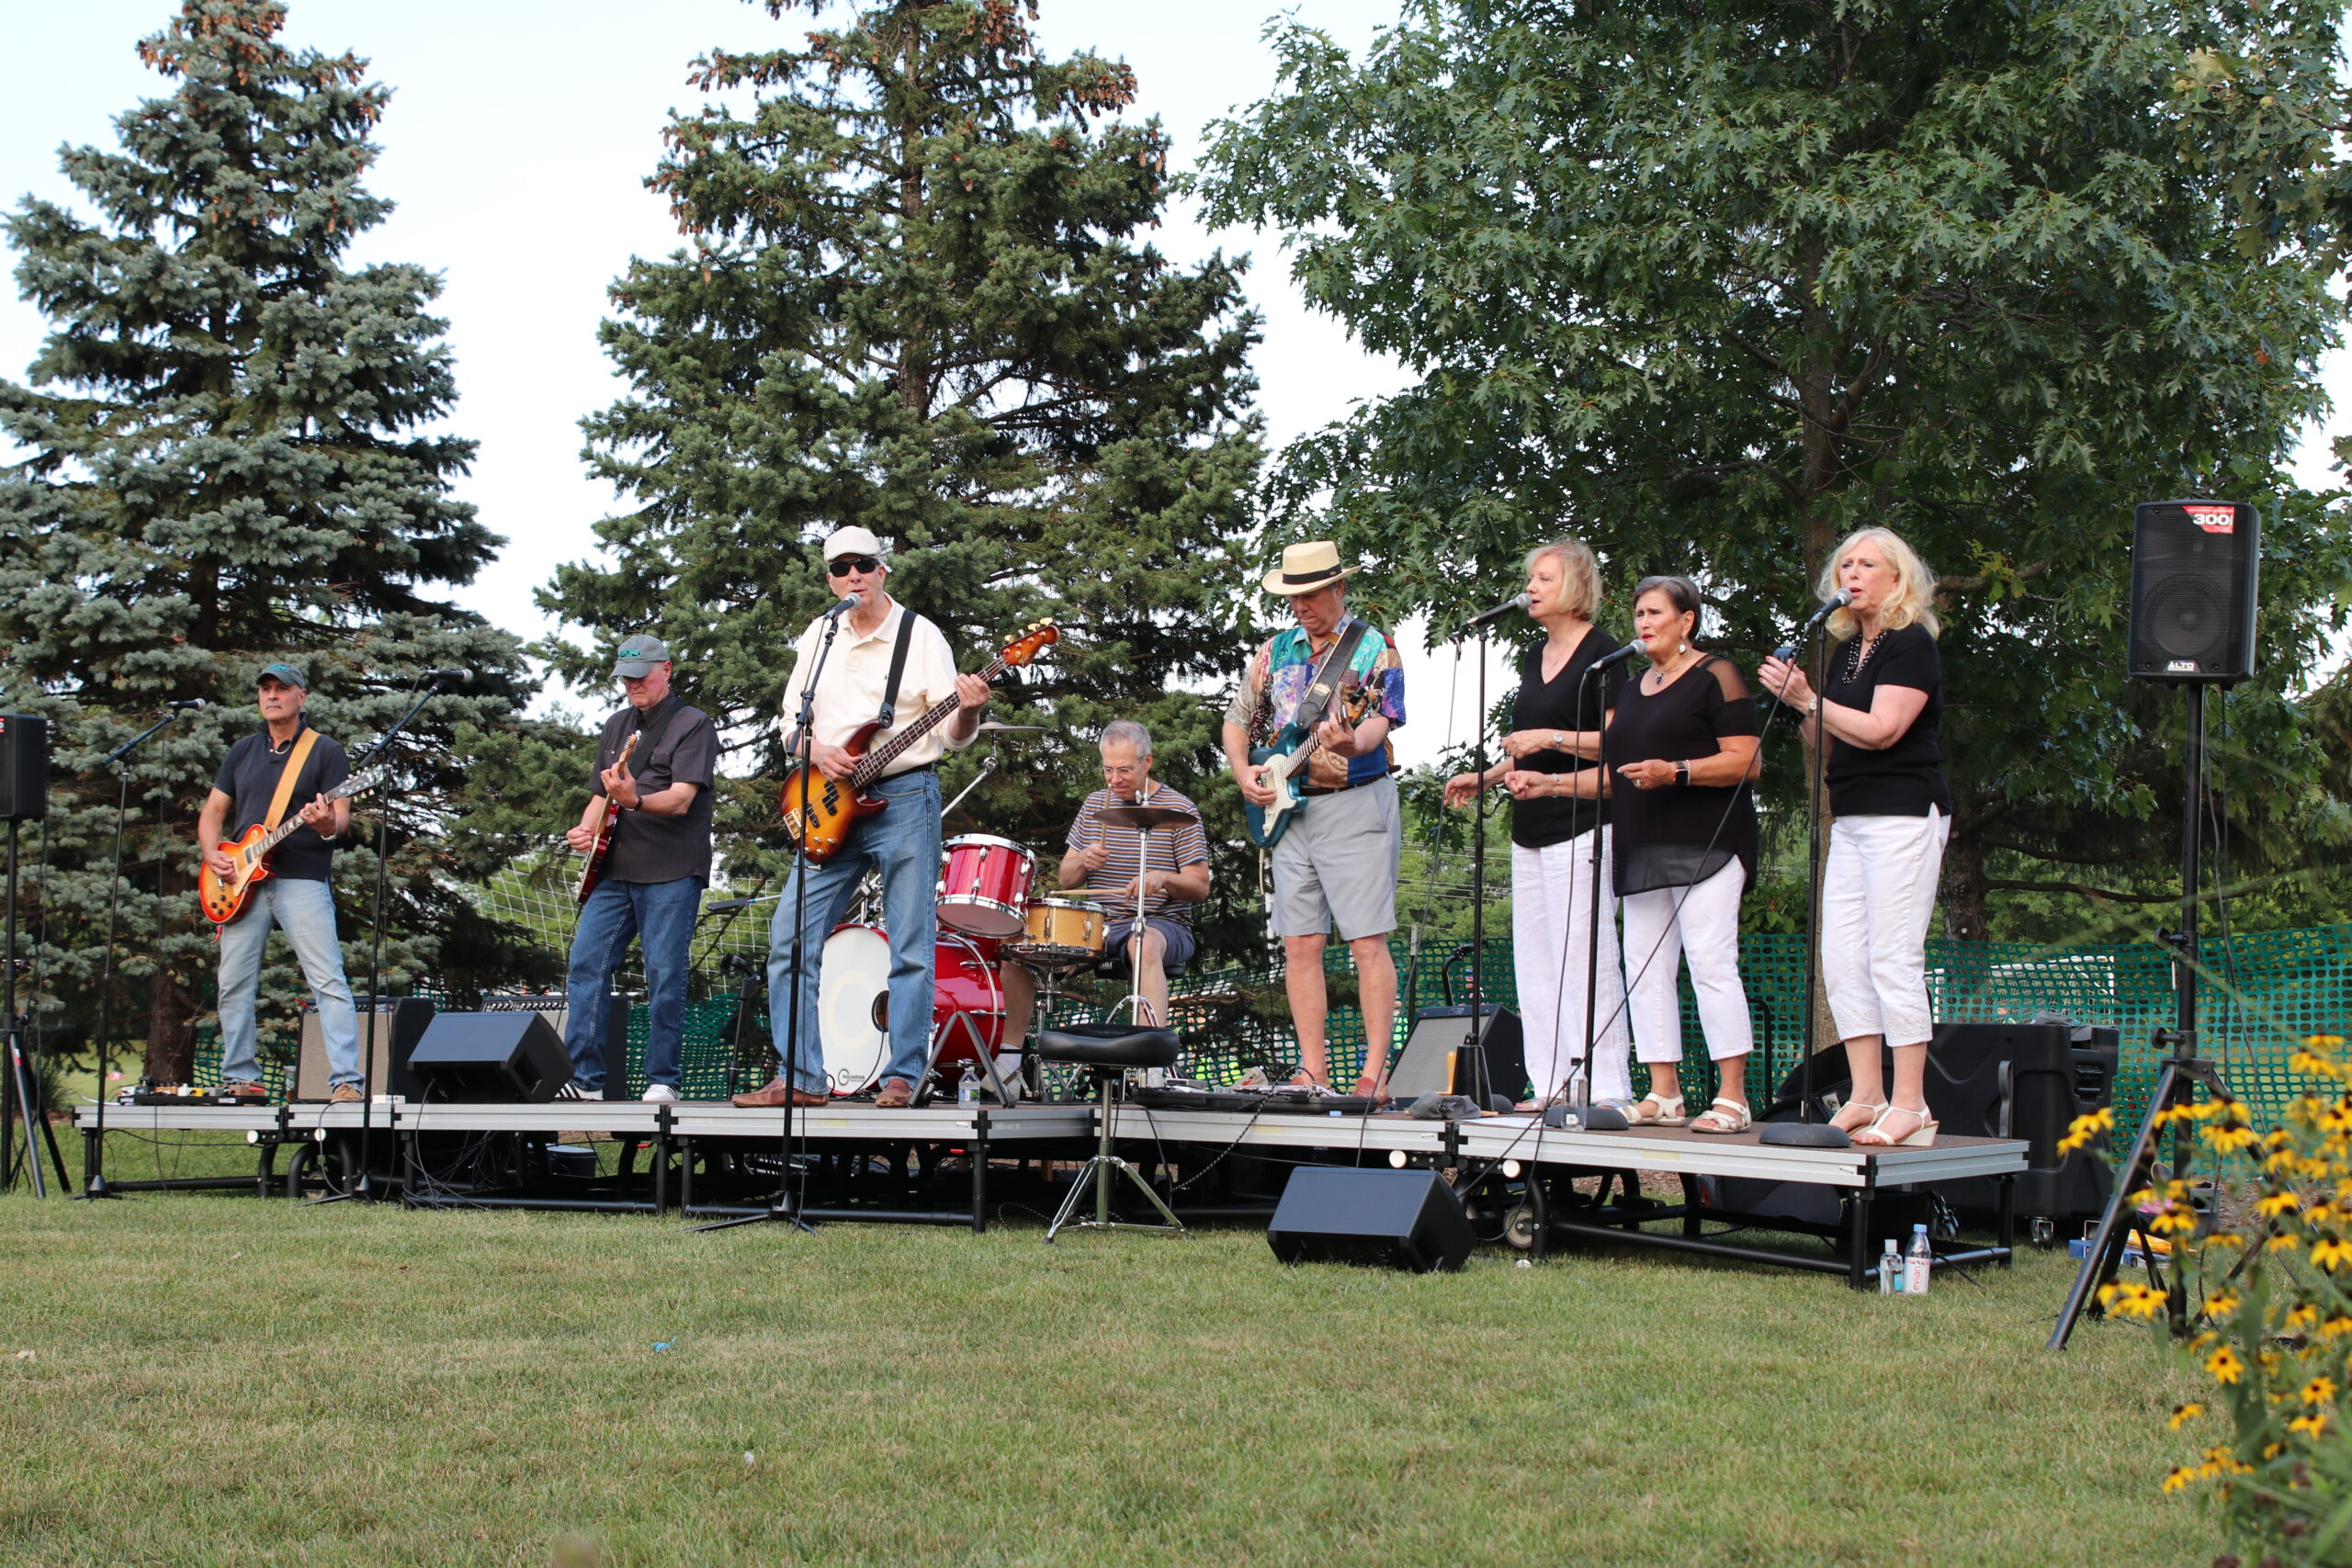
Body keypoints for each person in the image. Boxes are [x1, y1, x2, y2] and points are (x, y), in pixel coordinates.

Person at [735, 526, 989, 1111]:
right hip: (828, 802)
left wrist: (970, 712)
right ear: (830, 578)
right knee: (790, 939)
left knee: (911, 944)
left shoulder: (920, 635)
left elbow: (952, 734)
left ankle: (902, 1076)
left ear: (883, 571)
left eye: (865, 565)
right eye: (842, 567)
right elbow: (790, 724)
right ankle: (800, 1077)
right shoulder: (820, 634)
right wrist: (816, 751)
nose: (854, 575)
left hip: (904, 796)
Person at [1758, 526, 1952, 1147]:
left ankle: (1912, 1102)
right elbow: (1831, 740)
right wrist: (1796, 708)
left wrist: (1810, 699)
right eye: (1846, 564)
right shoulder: (1846, 652)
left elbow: (1884, 729)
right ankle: (1866, 1094)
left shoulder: (1911, 643)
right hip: (1854, 819)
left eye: (1868, 564)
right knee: (1842, 961)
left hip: (1903, 813)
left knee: (1893, 957)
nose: (1854, 573)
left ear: (1897, 578)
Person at [1444, 538, 1633, 1110]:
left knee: (1584, 957)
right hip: (1528, 823)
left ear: (1575, 587)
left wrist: (1550, 739)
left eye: (1544, 579)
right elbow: (1527, 745)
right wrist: (1491, 775)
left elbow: (1619, 742)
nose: (1530, 588)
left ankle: (1605, 1087)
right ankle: (1552, 1084)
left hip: (1583, 820)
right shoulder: (1534, 654)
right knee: (1534, 959)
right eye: (1531, 578)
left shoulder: (1604, 655)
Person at [1221, 540, 1408, 1097]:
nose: (1301, 605)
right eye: (1293, 596)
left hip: (1354, 801)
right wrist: (1242, 771)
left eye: (1311, 594)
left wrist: (1351, 741)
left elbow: (1383, 721)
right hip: (1289, 813)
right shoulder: (1274, 651)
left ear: (1338, 588)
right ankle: (1311, 1070)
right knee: (1300, 944)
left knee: (1366, 941)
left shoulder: (1375, 646)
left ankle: (1373, 1075)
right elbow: (1237, 719)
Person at [1600, 576, 1762, 1134]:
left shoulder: (1716, 674)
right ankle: (1664, 1092)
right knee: (1645, 971)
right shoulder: (1629, 687)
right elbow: (1612, 772)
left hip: (1708, 842)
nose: (1642, 624)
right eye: (1637, 614)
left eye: (1654, 613)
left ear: (1686, 620)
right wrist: (1538, 781)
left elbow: (1748, 760)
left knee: (1711, 963)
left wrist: (1678, 772)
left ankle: (1733, 1097)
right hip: (1643, 844)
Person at [559, 635, 718, 1103]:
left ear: (666, 670)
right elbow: (599, 794)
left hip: (671, 869)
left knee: (665, 974)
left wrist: (637, 800)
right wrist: (584, 832)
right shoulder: (615, 725)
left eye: (641, 675)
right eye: (625, 677)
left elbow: (683, 798)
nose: (632, 685)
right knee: (586, 964)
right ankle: (583, 1079)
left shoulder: (694, 724)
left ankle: (663, 1079)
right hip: (613, 869)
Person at [197, 663, 360, 1103]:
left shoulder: (325, 751)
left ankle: (346, 1081)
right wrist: (213, 855)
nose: (272, 695)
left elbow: (339, 819)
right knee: (233, 982)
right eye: (265, 689)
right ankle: (241, 1079)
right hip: (241, 883)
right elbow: (213, 813)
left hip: (301, 878)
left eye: (281, 689)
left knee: (326, 980)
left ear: (300, 697)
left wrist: (325, 822)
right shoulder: (242, 751)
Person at [1001, 721, 1210, 1048]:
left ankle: (1149, 1060)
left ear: (1148, 762)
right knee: (1018, 951)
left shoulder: (1180, 809)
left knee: (1143, 941)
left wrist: (1163, 878)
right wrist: (1082, 860)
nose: (1114, 780)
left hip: (1164, 924)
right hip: (1098, 926)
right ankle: (1009, 1059)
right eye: (1108, 769)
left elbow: (1200, 887)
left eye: (1124, 770)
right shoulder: (1095, 804)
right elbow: (1066, 880)